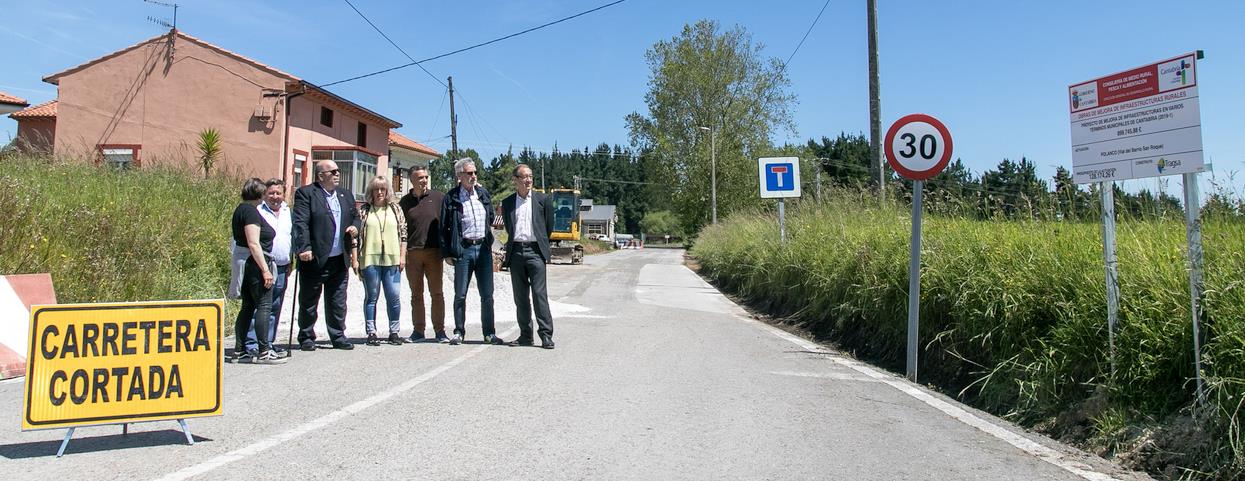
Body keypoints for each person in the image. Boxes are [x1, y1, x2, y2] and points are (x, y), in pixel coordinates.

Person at [292, 160, 361, 351]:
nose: (338, 174)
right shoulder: (306, 193)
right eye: (333, 171)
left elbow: (355, 215)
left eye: (338, 171)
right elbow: (301, 223)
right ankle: (306, 336)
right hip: (315, 258)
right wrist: (304, 247)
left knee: (338, 301)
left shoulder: (345, 195)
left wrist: (356, 226)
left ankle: (338, 335)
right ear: (321, 175)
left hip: (339, 258)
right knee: (309, 300)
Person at [440, 158, 504, 346]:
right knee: (460, 294)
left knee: (487, 294)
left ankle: (489, 333)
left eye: (475, 173)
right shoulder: (451, 197)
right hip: (463, 250)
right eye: (469, 173)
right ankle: (459, 331)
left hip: (483, 249)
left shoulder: (482, 194)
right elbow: (444, 227)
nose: (473, 176)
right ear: (459, 176)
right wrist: (447, 253)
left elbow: (491, 216)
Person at [230, 178, 286, 364]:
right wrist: (265, 270)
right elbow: (254, 243)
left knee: (247, 306)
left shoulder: (241, 209)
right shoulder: (251, 213)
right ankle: (264, 350)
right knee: (263, 305)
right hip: (254, 264)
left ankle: (240, 350)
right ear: (260, 193)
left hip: (245, 264)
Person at [501, 164, 556, 349]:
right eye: (524, 177)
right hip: (516, 252)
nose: (529, 180)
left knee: (540, 294)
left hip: (536, 252)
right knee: (520, 297)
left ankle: (546, 335)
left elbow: (548, 228)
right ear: (515, 180)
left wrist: (539, 246)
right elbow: (510, 227)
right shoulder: (508, 202)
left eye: (531, 176)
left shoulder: (543, 199)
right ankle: (525, 335)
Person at [354, 176, 407, 346]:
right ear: (371, 192)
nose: (379, 192)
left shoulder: (395, 209)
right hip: (369, 258)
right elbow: (355, 237)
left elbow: (404, 234)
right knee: (372, 296)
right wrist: (355, 259)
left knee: (393, 296)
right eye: (376, 189)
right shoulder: (364, 210)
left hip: (392, 259)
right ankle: (371, 332)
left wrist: (402, 256)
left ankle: (394, 331)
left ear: (387, 191)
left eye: (382, 189)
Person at [399, 165, 448, 343]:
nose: (424, 180)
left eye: (426, 177)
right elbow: (400, 229)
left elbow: (448, 222)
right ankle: (418, 331)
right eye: (420, 177)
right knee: (416, 295)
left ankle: (440, 331)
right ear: (411, 180)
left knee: (437, 293)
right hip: (412, 254)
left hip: (434, 253)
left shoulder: (438, 197)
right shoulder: (404, 202)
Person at [243, 178, 293, 355]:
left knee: (275, 306)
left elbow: (290, 237)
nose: (275, 196)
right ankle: (252, 344)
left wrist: (291, 261)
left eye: (278, 193)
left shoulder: (288, 212)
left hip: (282, 266)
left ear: (283, 194)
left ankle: (268, 343)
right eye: (271, 193)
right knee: (260, 306)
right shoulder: (257, 211)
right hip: (262, 267)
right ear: (265, 194)